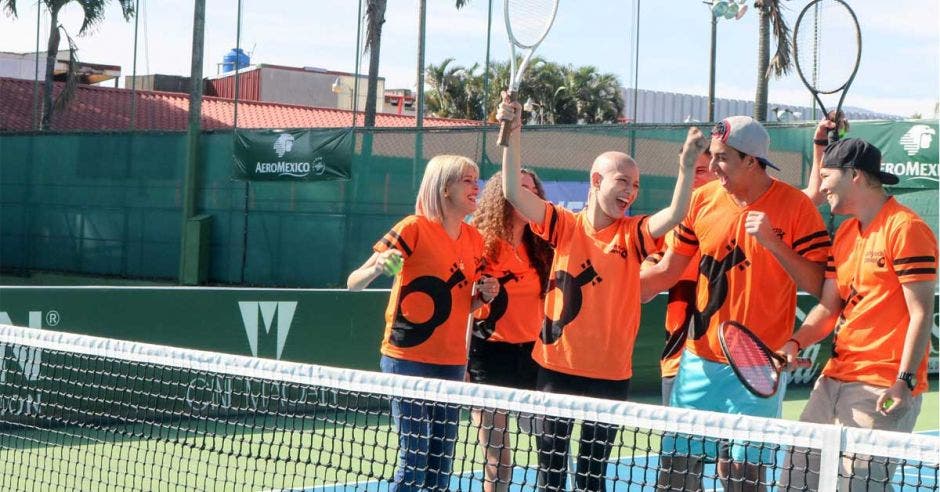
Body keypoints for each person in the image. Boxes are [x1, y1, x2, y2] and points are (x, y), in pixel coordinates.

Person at [498, 96, 708, 491]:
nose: (630, 191)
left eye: (636, 185)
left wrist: (684, 170)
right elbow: (512, 190)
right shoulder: (563, 224)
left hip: (610, 377)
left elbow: (674, 215)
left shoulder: (634, 234)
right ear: (596, 182)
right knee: (551, 479)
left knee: (593, 480)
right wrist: (512, 132)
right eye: (622, 181)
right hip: (555, 370)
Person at [641, 116, 830, 491]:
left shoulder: (796, 207)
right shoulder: (700, 201)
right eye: (711, 157)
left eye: (722, 158)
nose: (712, 167)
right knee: (676, 475)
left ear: (751, 160)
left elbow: (816, 285)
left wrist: (775, 245)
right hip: (698, 362)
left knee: (745, 479)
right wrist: (612, 288)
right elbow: (666, 271)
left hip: (760, 367)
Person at [778, 138, 937, 491]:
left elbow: (921, 314)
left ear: (854, 175)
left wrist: (904, 381)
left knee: (860, 488)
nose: (820, 187)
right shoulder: (846, 233)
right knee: (794, 482)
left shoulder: (906, 229)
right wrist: (794, 341)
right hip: (832, 382)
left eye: (826, 175)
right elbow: (827, 308)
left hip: (883, 386)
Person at [347, 154, 500, 492]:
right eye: (467, 180)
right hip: (407, 360)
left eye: (477, 179)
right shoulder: (412, 228)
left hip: (451, 362)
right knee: (414, 458)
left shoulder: (475, 239)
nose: (477, 186)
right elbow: (353, 281)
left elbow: (466, 304)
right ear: (444, 188)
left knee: (441, 463)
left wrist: (485, 295)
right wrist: (377, 267)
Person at [468, 169, 554, 492]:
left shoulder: (544, 247)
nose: (526, 195)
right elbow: (465, 301)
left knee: (551, 450)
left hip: (535, 356)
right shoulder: (479, 242)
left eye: (531, 190)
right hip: (489, 358)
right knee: (499, 461)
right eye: (518, 189)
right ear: (501, 194)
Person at [641, 149, 717, 406]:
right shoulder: (669, 226)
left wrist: (820, 146)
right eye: (686, 171)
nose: (691, 179)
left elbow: (809, 196)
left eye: (699, 171)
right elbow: (645, 288)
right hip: (678, 364)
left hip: (728, 366)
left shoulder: (737, 224)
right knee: (678, 447)